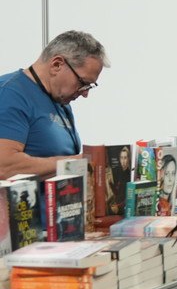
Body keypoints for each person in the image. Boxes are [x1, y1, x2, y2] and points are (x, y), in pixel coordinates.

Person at [0, 31, 106, 179]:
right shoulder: (9, 94)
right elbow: (4, 167)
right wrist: (78, 162)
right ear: (57, 64)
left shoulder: (60, 100)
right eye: (83, 83)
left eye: (89, 86)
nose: (85, 93)